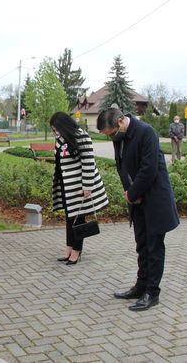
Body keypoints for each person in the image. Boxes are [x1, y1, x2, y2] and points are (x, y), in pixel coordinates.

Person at [97, 104, 179, 311]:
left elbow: (149, 168)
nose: (112, 138)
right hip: (137, 201)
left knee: (154, 247)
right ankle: (140, 286)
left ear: (120, 121)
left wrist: (134, 194)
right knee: (142, 246)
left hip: (154, 200)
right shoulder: (121, 137)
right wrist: (131, 195)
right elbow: (123, 167)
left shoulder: (146, 132)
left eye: (112, 133)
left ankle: (152, 293)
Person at [50, 112, 109, 265]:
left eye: (56, 128)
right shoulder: (61, 138)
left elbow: (88, 161)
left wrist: (87, 186)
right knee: (70, 219)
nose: (55, 131)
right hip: (65, 185)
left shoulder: (82, 136)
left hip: (78, 186)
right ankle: (69, 249)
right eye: (53, 129)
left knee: (78, 219)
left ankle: (76, 252)